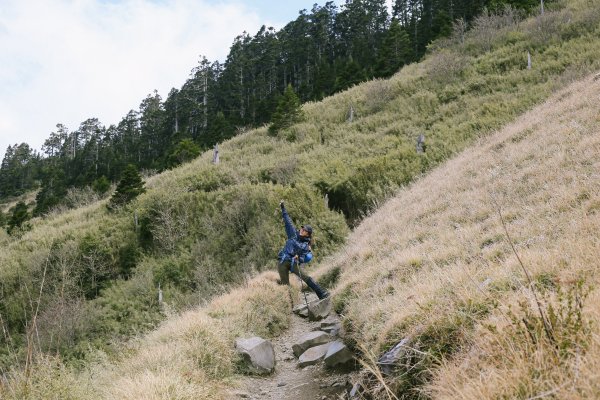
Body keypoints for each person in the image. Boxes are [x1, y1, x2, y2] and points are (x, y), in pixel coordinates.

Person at [277, 200, 329, 299]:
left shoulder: (306, 246)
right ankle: (289, 306)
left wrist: (298, 258)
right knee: (285, 286)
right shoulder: (293, 233)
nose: (302, 230)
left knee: (307, 278)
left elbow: (303, 258)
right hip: (282, 261)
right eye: (302, 228)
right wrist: (283, 208)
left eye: (304, 230)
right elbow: (288, 220)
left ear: (308, 234)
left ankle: (321, 294)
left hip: (293, 263)